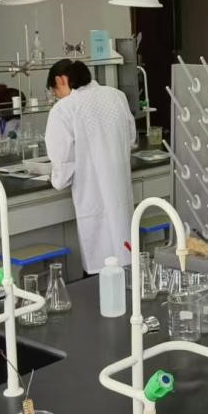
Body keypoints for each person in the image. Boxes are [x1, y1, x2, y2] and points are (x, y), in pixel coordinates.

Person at [45, 59, 136, 274]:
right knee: (126, 255)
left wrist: (56, 179)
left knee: (102, 265)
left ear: (61, 80)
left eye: (55, 91)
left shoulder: (64, 109)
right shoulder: (117, 96)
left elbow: (63, 163)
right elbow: (131, 138)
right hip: (120, 188)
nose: (57, 97)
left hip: (91, 195)